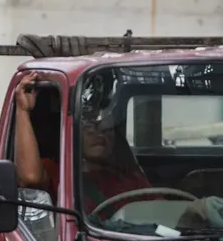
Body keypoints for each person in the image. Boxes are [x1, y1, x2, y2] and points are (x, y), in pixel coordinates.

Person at [13, 70, 150, 213]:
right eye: (90, 127)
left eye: (107, 129)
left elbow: (161, 210)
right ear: (74, 133)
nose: (100, 133)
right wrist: (23, 110)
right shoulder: (60, 172)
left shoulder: (129, 177)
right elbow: (30, 178)